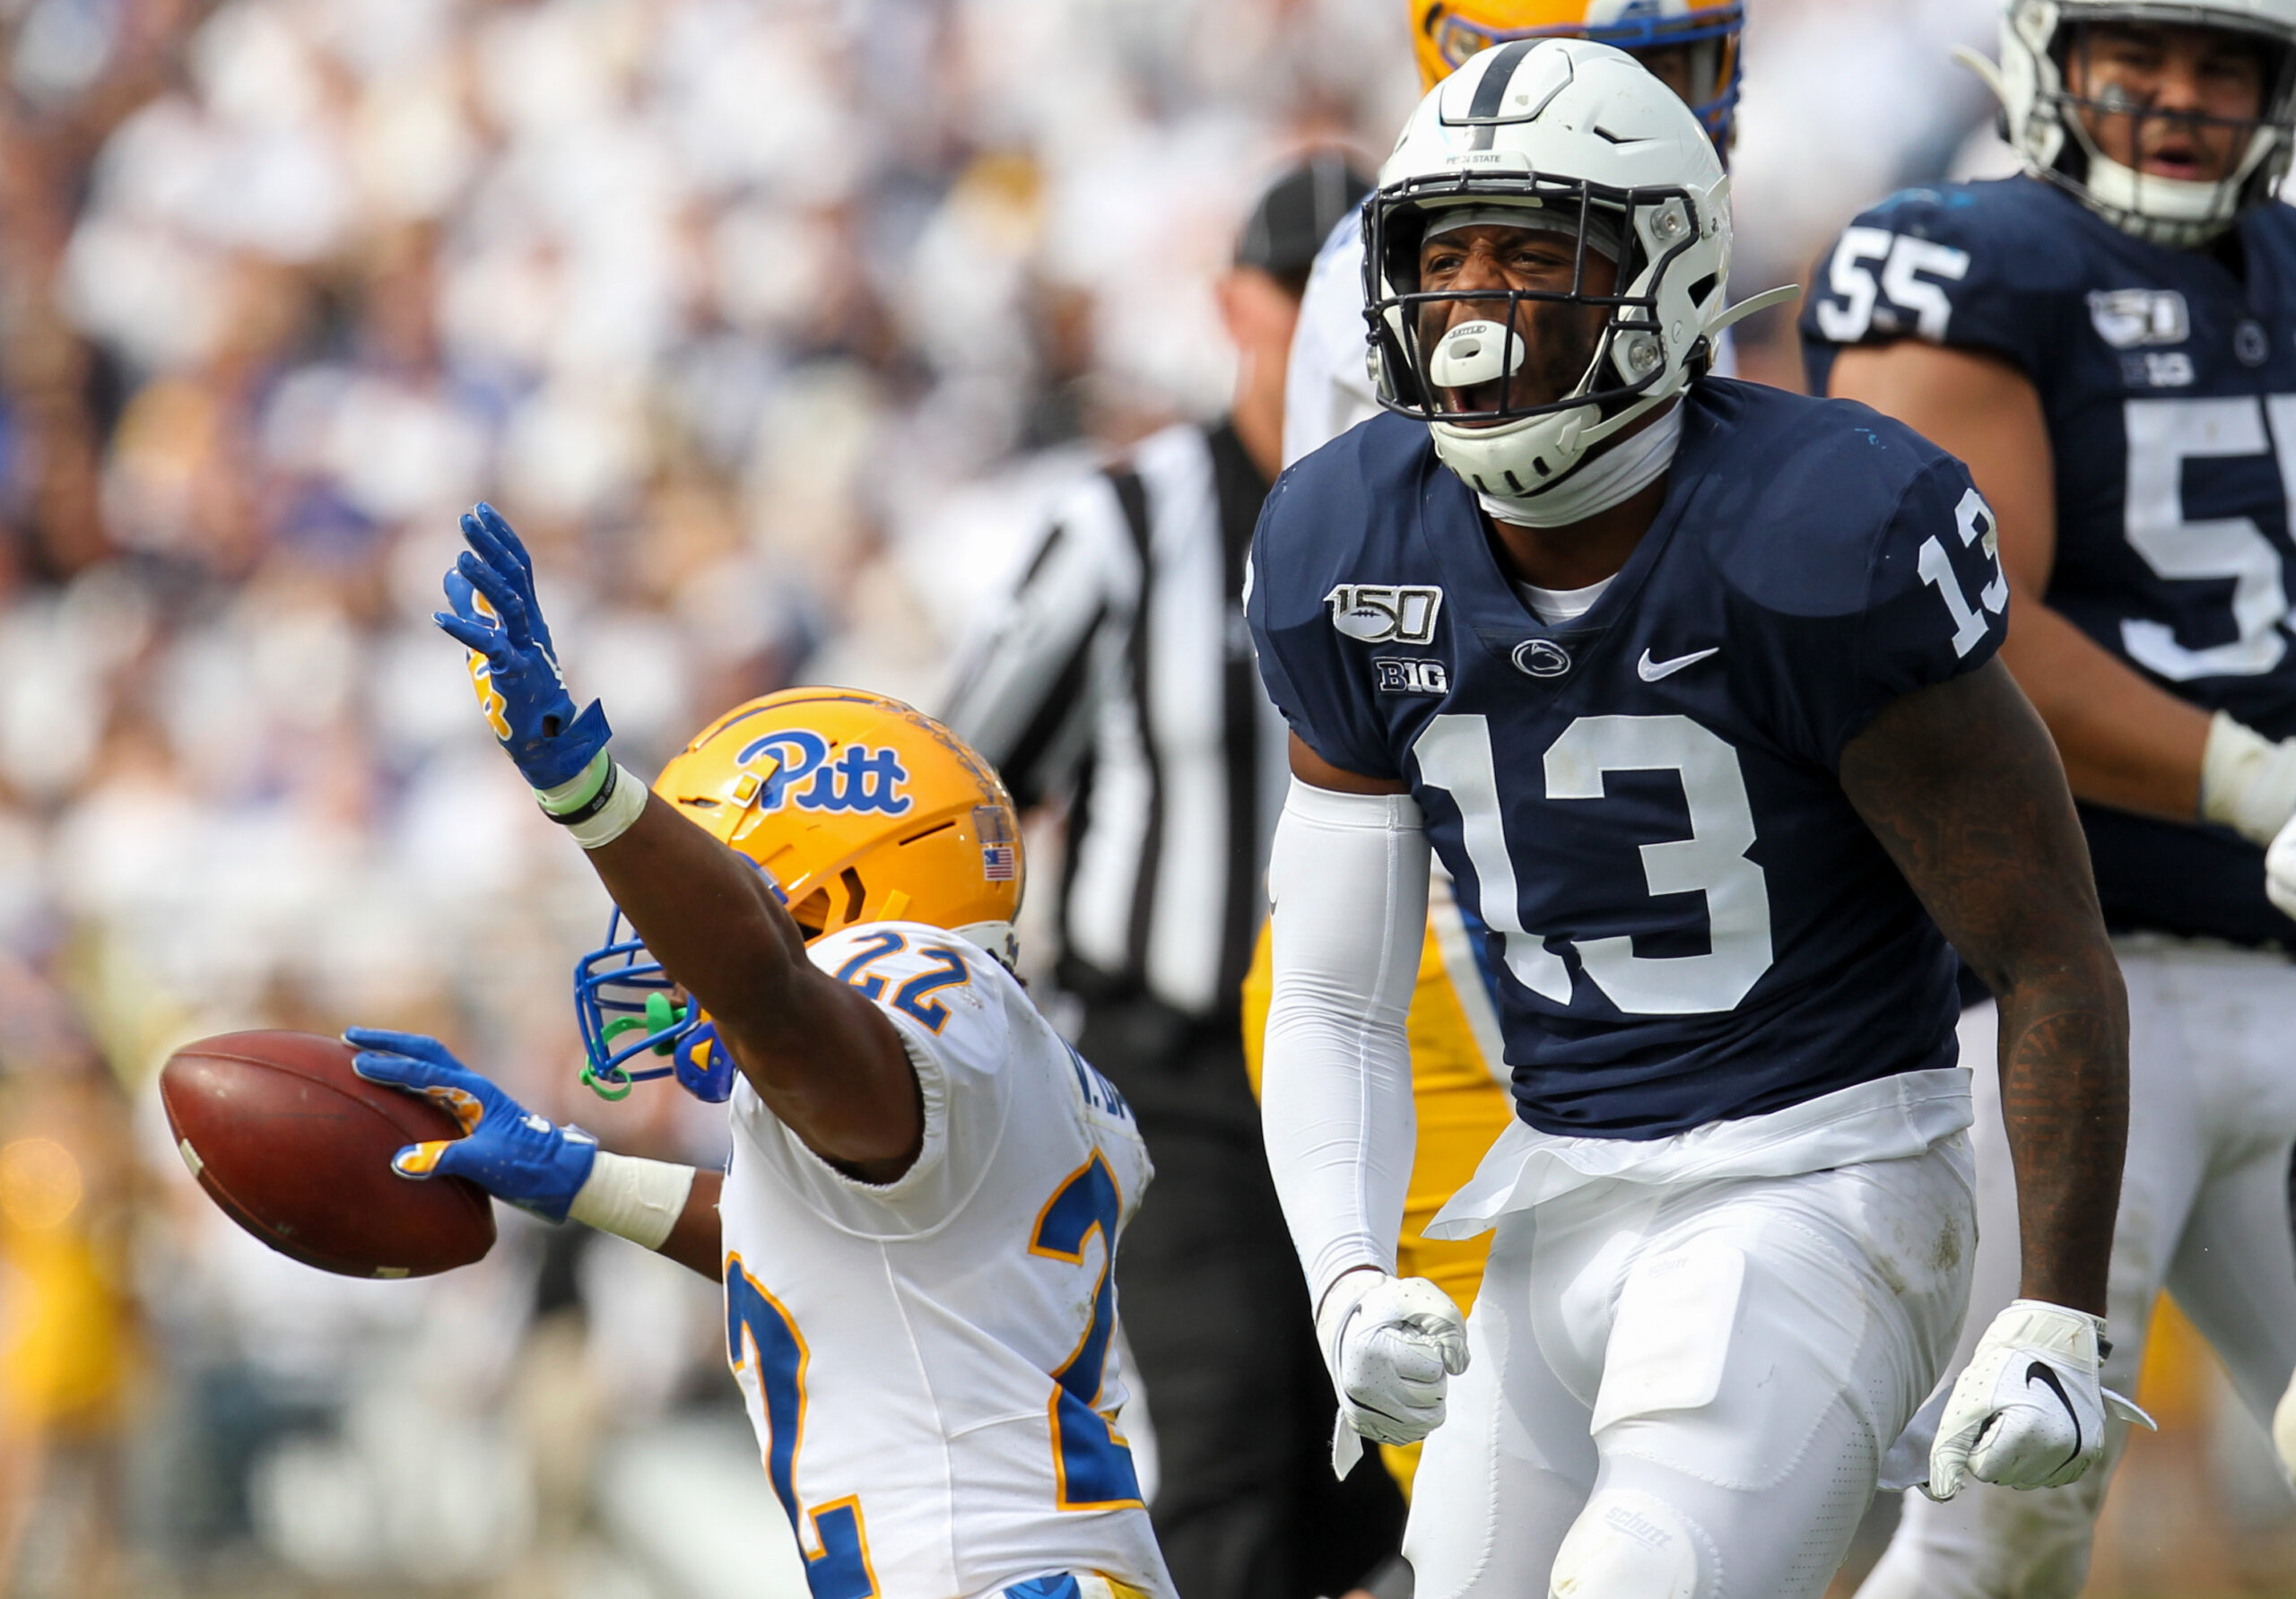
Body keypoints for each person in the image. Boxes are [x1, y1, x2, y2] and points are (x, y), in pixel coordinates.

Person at [1246, 39, 2133, 1599]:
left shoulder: (1823, 528)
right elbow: (1330, 984)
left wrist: (2056, 1307)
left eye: (1533, 252)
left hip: (1821, 1179)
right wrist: (1345, 1277)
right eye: (1440, 256)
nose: (1474, 305)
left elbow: (2049, 945)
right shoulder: (1343, 533)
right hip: (1555, 1188)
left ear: (1665, 269)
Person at [346, 503, 1178, 1599]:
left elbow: (774, 1001)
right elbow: (822, 1252)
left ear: (831, 898)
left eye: (708, 904)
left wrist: (593, 797)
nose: (668, 957)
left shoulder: (923, 989)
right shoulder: (983, 1066)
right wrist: (575, 1174)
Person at [1796, 2, 2296, 1593]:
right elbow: (1954, 623)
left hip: (2274, 962)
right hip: (2051, 989)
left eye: (2229, 65)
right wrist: (2250, 772)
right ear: (2046, 56)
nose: (2179, 98)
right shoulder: (1965, 258)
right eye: (2140, 54)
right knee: (1997, 1514)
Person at [1245, 8, 1751, 1502]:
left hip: (1607, 897)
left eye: (1683, 62)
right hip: (1481, 939)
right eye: (1636, 63)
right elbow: (1458, 648)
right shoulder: (1394, 287)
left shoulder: (1645, 230)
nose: (1663, 102)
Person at [942, 157, 1412, 1599]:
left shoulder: (1449, 509)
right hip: (1185, 1074)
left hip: (1415, 1056)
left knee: (1402, 1477)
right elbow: (959, 790)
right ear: (1237, 307)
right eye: (1307, 295)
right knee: (1217, 1461)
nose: (1344, 331)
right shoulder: (1130, 521)